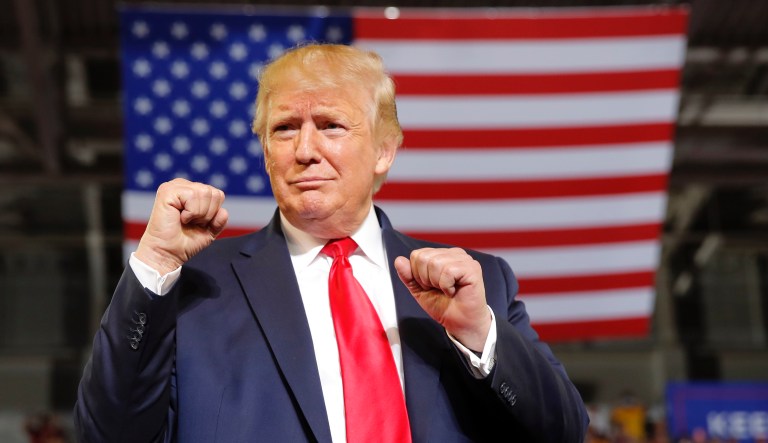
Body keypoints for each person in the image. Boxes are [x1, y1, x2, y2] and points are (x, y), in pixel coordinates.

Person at [74, 43, 588, 442]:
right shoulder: (193, 285)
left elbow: (563, 433)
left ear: (384, 150)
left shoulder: (477, 284)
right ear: (264, 150)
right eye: (284, 128)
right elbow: (107, 435)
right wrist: (156, 262)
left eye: (330, 125)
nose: (304, 149)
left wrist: (478, 333)